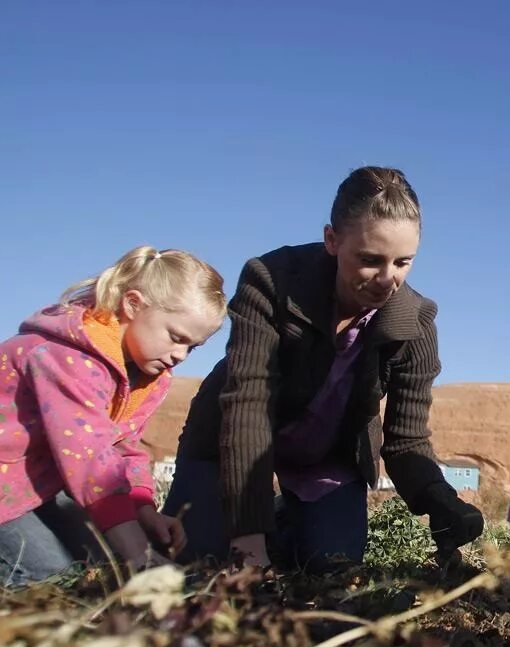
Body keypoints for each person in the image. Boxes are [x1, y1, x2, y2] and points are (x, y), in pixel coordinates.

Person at [165, 166, 484, 573]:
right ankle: (252, 521)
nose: (389, 280)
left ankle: (283, 518)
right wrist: (247, 542)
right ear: (332, 240)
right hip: (230, 443)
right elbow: (248, 408)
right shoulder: (271, 282)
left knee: (331, 563)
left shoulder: (413, 324)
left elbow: (405, 441)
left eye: (403, 262)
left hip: (326, 457)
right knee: (200, 561)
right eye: (370, 260)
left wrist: (441, 501)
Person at [0, 246, 227, 585]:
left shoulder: (146, 376)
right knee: (55, 576)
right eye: (176, 338)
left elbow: (123, 445)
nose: (181, 355)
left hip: (25, 480)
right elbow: (90, 460)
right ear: (132, 304)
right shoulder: (66, 358)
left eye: (193, 347)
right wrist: (138, 555)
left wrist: (142, 509)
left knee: (104, 562)